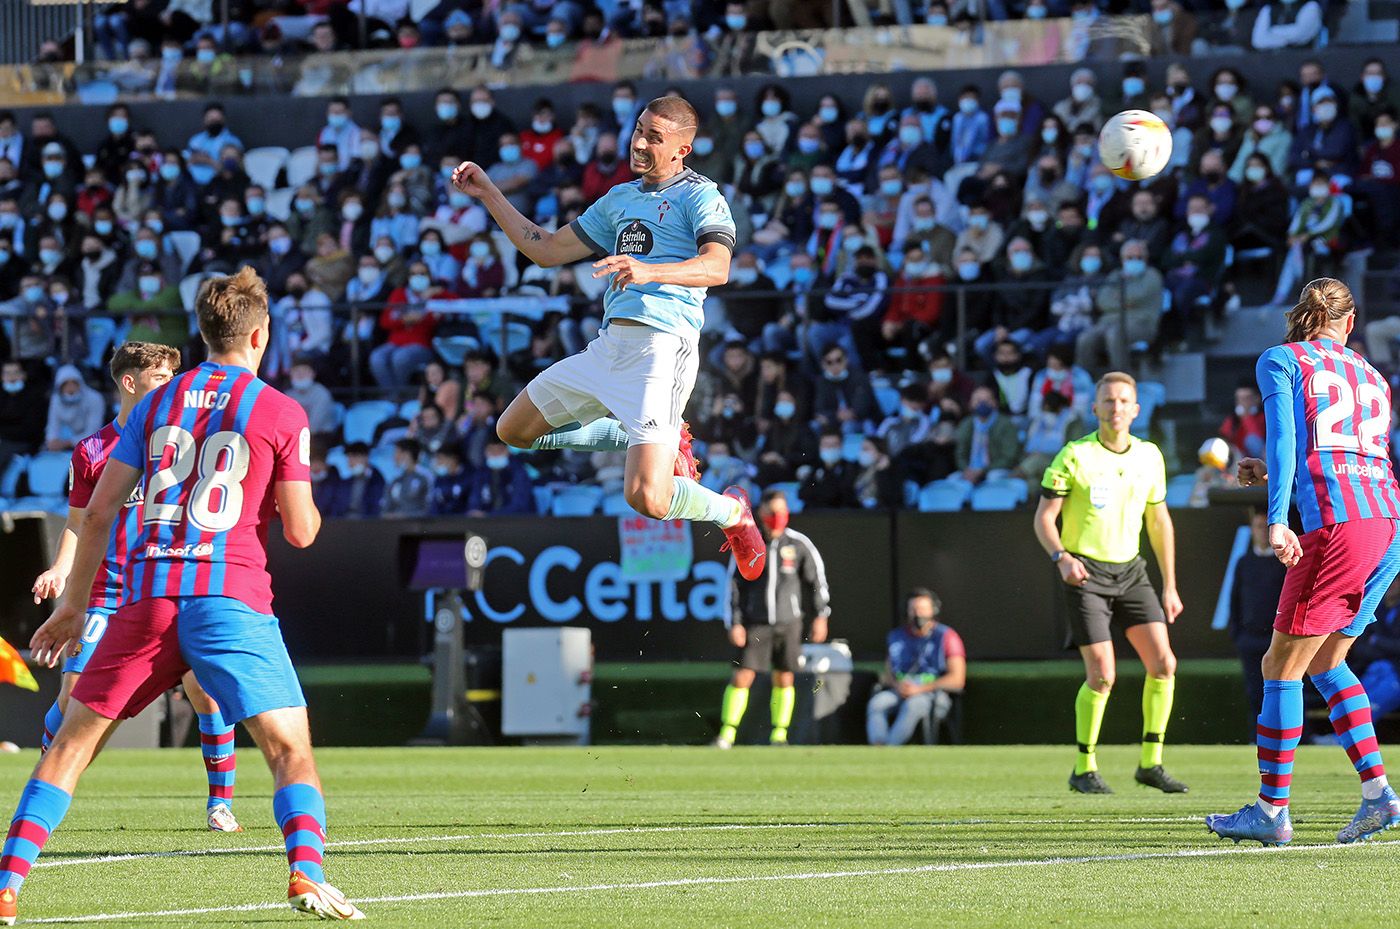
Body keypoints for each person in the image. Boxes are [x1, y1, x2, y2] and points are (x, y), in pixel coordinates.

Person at [16, 268, 362, 922]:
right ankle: (305, 873)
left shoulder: (154, 404)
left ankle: (6, 884)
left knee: (69, 744)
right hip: (229, 597)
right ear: (261, 334)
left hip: (147, 598)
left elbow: (96, 513)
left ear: (201, 333)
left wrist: (73, 606)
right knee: (290, 752)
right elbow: (302, 529)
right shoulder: (281, 409)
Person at [451, 95, 767, 581]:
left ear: (683, 149)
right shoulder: (620, 198)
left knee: (647, 498)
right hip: (608, 346)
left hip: (663, 348)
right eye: (638, 130)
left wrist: (648, 270)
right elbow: (548, 250)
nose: (639, 143)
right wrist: (490, 192)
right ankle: (630, 433)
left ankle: (733, 513)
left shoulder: (701, 196)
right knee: (512, 430)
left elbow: (718, 266)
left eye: (654, 138)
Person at [1209, 279, 1400, 847]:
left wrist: (1274, 519)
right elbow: (1348, 453)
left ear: (1301, 315)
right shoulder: (1371, 375)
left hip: (1337, 527)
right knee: (1326, 664)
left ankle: (1271, 812)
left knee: (1280, 667)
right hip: (1386, 525)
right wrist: (1268, 469)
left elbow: (1291, 440)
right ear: (1350, 321)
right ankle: (1378, 797)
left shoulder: (1282, 360)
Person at [28, 341, 243, 834]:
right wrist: (62, 569)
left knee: (203, 689)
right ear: (130, 382)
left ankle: (220, 804)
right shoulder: (92, 450)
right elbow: (80, 522)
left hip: (171, 580)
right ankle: (46, 780)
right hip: (108, 589)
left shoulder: (186, 441)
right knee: (76, 696)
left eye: (174, 374)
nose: (172, 382)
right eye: (162, 375)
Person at [1034, 371, 1187, 795]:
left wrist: (1169, 584)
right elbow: (1044, 518)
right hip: (1086, 572)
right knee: (1103, 675)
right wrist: (1061, 557)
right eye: (1108, 401)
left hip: (1132, 571)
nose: (1116, 408)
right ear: (1094, 408)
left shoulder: (1149, 456)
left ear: (1136, 410)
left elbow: (1159, 521)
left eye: (1123, 401)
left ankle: (1150, 763)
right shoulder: (1074, 455)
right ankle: (1084, 767)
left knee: (1164, 664)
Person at [714, 490, 830, 748]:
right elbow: (733, 586)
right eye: (772, 512)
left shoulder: (799, 544)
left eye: (781, 512)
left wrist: (821, 615)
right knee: (742, 676)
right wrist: (734, 621)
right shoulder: (748, 543)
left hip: (789, 622)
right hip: (756, 621)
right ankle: (727, 733)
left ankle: (779, 734)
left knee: (785, 676)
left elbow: (816, 582)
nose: (777, 517)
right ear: (761, 513)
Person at [866, 589, 966, 746]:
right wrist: (898, 685)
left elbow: (957, 680)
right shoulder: (896, 637)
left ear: (933, 610)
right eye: (913, 609)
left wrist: (920, 689)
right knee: (877, 703)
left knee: (913, 705)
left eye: (923, 609)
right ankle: (878, 744)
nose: (918, 614)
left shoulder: (947, 636)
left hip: (932, 695)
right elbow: (888, 672)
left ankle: (889, 750)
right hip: (900, 691)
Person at [1227, 507, 1289, 729]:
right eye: (1258, 527)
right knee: (1254, 693)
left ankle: (1291, 738)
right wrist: (1238, 634)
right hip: (1250, 640)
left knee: (1282, 690)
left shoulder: (1284, 563)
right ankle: (1257, 738)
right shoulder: (1244, 562)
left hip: (1277, 639)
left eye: (1266, 527)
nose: (1262, 532)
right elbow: (1234, 599)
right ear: (1252, 530)